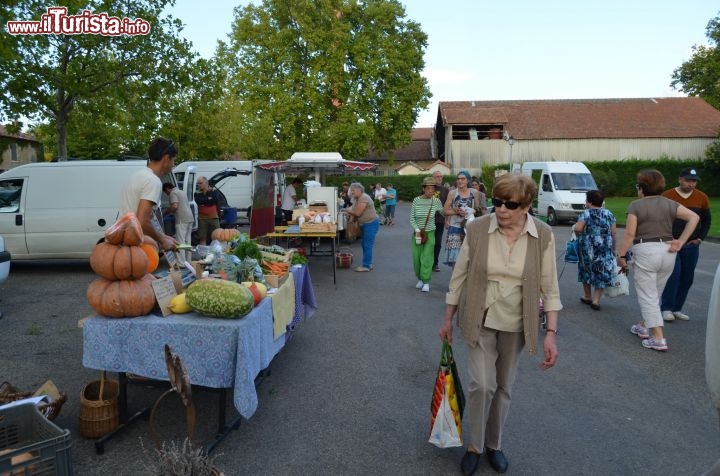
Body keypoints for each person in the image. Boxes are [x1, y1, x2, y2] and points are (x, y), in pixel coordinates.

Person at [438, 172, 561, 475]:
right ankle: (474, 446)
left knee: (504, 386)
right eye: (497, 202)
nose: (502, 210)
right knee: (482, 385)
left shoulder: (543, 235)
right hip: (479, 316)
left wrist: (551, 334)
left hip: (517, 322)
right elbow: (460, 276)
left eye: (511, 204)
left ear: (527, 204)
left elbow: (550, 287)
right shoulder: (477, 229)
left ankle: (494, 444)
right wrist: (448, 319)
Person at [616, 169, 699, 352]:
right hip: (667, 250)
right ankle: (644, 325)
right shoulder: (671, 203)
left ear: (641, 187)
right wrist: (681, 241)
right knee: (655, 292)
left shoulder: (636, 206)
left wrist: (620, 255)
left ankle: (658, 338)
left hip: (645, 250)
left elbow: (630, 234)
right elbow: (694, 217)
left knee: (648, 296)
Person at [660, 167, 711, 322]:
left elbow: (706, 220)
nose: (691, 184)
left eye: (694, 181)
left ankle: (677, 308)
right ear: (680, 179)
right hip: (672, 242)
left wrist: (700, 238)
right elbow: (660, 218)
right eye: (688, 180)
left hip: (691, 244)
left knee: (687, 277)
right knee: (673, 276)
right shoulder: (667, 196)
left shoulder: (702, 197)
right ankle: (666, 308)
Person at [119, 137, 178, 251]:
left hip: (125, 242)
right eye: (173, 160)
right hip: (136, 247)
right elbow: (142, 221)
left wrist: (164, 237)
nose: (173, 165)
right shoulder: (153, 181)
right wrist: (162, 240)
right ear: (166, 159)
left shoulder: (138, 175)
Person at [574, 189, 617, 310]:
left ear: (589, 201)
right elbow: (614, 232)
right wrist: (614, 248)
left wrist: (579, 237)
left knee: (585, 269)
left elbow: (578, 228)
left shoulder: (586, 213)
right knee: (601, 270)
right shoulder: (609, 214)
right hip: (605, 246)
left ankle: (587, 296)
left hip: (587, 247)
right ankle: (596, 300)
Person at [443, 170, 487, 268]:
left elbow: (479, 209)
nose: (460, 181)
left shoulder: (474, 192)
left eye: (463, 179)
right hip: (455, 228)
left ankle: (467, 281)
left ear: (468, 181)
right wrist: (455, 211)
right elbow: (445, 211)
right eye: (458, 179)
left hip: (469, 228)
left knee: (469, 257)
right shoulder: (452, 193)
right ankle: (456, 281)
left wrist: (472, 211)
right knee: (455, 259)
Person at [410, 177, 444, 292]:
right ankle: (419, 278)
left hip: (430, 233)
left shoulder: (436, 201)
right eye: (428, 188)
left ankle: (426, 281)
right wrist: (417, 230)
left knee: (427, 258)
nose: (431, 191)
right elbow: (412, 218)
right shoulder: (416, 200)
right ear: (423, 188)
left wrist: (455, 211)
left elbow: (443, 212)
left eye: (432, 189)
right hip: (417, 233)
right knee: (416, 258)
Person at [345, 182, 379, 272]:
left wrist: (346, 210)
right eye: (351, 191)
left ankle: (366, 266)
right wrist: (349, 212)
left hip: (371, 223)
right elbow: (353, 208)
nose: (352, 192)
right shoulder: (357, 198)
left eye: (353, 191)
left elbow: (357, 213)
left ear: (359, 190)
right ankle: (368, 264)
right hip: (366, 224)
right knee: (364, 244)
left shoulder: (363, 197)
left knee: (367, 245)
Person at [162, 182, 194, 263]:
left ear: (167, 189)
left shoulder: (173, 193)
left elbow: (175, 206)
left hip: (181, 219)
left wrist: (167, 212)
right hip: (190, 217)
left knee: (180, 241)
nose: (167, 194)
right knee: (188, 240)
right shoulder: (182, 192)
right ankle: (188, 261)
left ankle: (181, 263)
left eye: (166, 192)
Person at [194, 176, 222, 246]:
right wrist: (208, 199)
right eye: (198, 183)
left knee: (217, 236)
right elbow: (199, 201)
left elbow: (214, 200)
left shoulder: (214, 191)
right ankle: (203, 256)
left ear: (206, 183)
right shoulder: (196, 193)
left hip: (214, 218)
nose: (198, 185)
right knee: (202, 238)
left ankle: (216, 253)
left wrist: (205, 201)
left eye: (200, 183)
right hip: (202, 219)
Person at [432, 171, 450, 272]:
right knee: (429, 243)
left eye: (441, 176)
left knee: (437, 243)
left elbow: (447, 207)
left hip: (440, 220)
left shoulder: (445, 190)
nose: (439, 178)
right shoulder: (428, 188)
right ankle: (427, 262)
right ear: (433, 177)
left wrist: (447, 220)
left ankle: (435, 263)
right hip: (428, 221)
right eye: (437, 176)